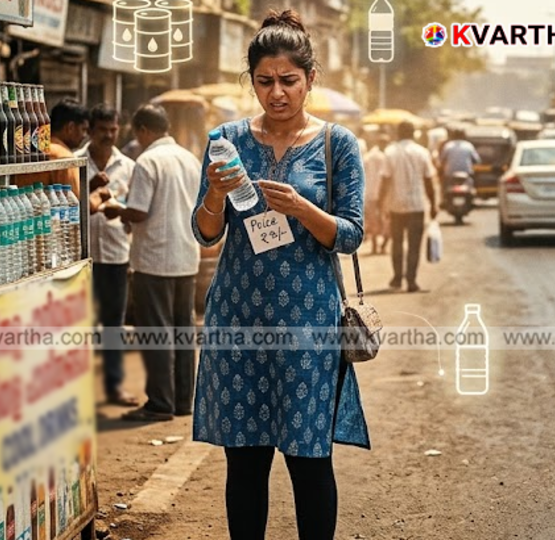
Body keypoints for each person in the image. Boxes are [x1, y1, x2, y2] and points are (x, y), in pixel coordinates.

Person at [191, 9, 370, 540]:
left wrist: (303, 210)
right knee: (244, 462)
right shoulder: (225, 139)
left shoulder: (338, 145)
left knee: (308, 460)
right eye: (265, 82)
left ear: (311, 79)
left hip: (308, 325)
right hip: (237, 318)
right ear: (251, 82)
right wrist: (217, 196)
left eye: (288, 81)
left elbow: (352, 234)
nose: (277, 93)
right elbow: (205, 234)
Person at [104, 104, 201, 422]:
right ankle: (183, 400)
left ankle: (160, 403)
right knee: (182, 331)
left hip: (155, 260)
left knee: (157, 332)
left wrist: (116, 208)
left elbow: (139, 211)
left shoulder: (147, 161)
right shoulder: (189, 158)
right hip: (186, 256)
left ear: (143, 130)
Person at [74, 104, 137, 407]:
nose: (109, 135)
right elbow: (66, 202)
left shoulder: (128, 166)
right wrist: (90, 186)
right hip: (80, 257)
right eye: (103, 130)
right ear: (90, 130)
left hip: (115, 255)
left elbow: (135, 209)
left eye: (114, 130)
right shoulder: (74, 162)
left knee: (113, 324)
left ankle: (114, 387)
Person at [378, 120, 438, 293]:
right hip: (417, 205)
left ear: (398, 133)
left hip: (396, 205)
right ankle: (411, 280)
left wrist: (381, 203)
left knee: (397, 243)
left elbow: (385, 180)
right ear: (413, 134)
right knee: (414, 245)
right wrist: (433, 204)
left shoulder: (390, 153)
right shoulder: (422, 153)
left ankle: (397, 278)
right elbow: (429, 181)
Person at [17, 98, 89, 193]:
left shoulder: (31, 149)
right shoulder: (64, 158)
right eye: (83, 129)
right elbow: (74, 201)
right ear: (70, 127)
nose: (85, 135)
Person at [363, 132, 391, 255]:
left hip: (369, 193)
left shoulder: (368, 157)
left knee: (372, 221)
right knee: (388, 221)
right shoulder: (387, 157)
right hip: (384, 195)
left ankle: (375, 246)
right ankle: (383, 246)